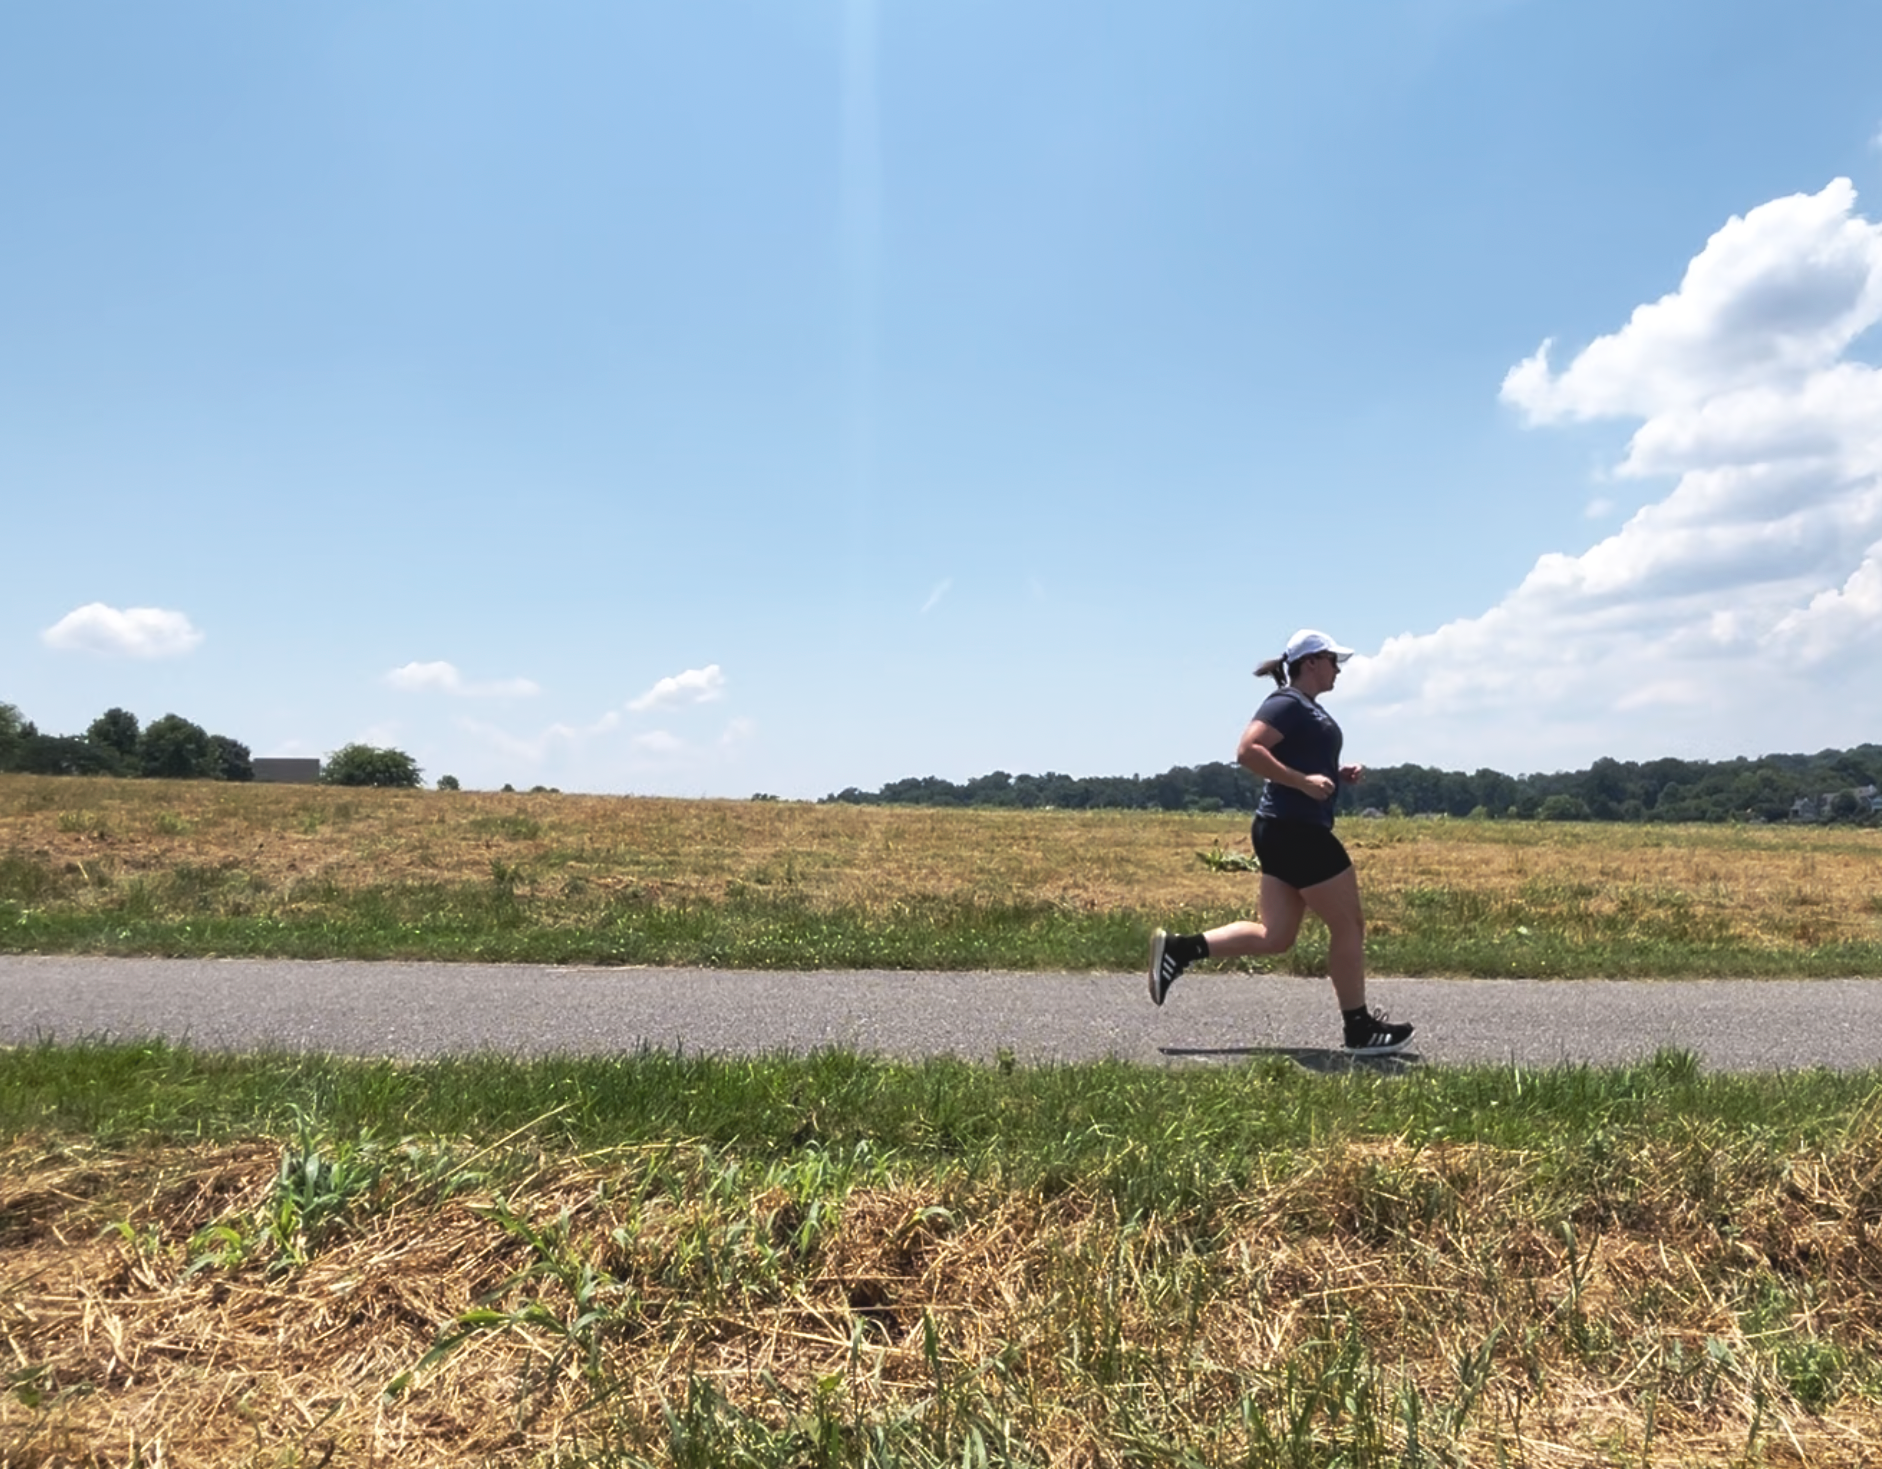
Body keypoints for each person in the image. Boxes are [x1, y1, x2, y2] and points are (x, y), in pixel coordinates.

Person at [1148, 629, 1414, 1057]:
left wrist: (1333, 771)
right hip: (1297, 831)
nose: (1338, 670)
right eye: (1333, 660)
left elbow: (1293, 758)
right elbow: (1248, 751)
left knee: (1275, 936)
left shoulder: (1304, 708)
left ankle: (1180, 949)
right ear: (1310, 662)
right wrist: (1303, 782)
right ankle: (1359, 1028)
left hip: (1281, 828)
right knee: (1349, 926)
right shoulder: (1287, 703)